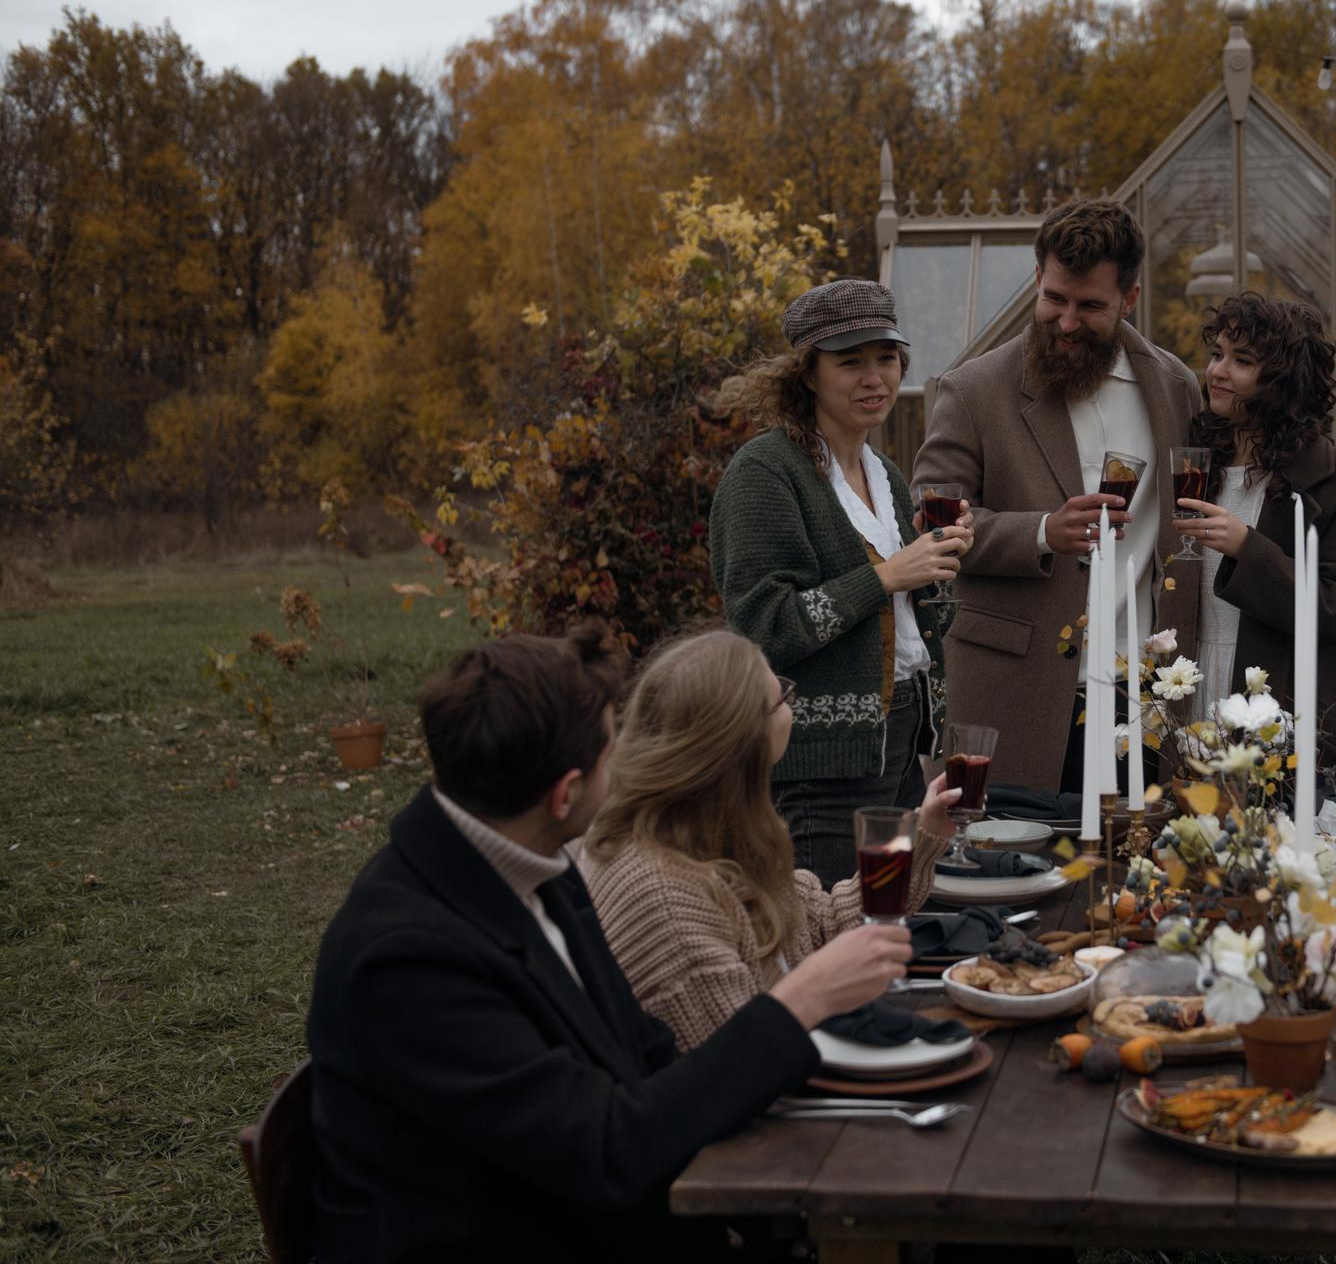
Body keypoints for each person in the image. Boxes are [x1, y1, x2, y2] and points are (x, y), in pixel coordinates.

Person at [306, 625, 912, 1263]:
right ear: (564, 794)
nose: (627, 757)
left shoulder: (529, 864)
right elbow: (605, 1153)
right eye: (610, 748)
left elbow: (645, 1055)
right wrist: (797, 1002)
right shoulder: (408, 961)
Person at [913, 198, 1202, 793]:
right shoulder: (972, 389)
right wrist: (1042, 532)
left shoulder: (1176, 389)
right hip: (1013, 695)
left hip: (1141, 697)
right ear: (1037, 279)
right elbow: (929, 517)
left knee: (1128, 876)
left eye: (1090, 306)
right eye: (1054, 299)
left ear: (1130, 299)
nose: (1066, 322)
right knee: (1011, 870)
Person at [709, 278, 972, 887]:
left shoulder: (886, 475)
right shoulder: (766, 474)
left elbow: (905, 629)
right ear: (807, 374)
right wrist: (885, 575)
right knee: (831, 937)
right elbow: (762, 628)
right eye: (849, 362)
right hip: (817, 766)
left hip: (902, 745)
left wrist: (938, 568)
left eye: (885, 358)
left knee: (886, 926)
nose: (874, 378)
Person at [582, 628, 962, 1048]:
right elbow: (736, 1065)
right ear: (741, 740)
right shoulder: (665, 898)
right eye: (782, 695)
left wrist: (924, 832)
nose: (791, 700)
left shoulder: (715, 829)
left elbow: (824, 924)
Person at [1170, 291, 1336, 789]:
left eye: (1242, 361)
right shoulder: (1198, 462)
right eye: (1217, 353)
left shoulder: (1329, 474)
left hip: (1280, 696)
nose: (1218, 370)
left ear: (1284, 381)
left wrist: (1249, 549)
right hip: (1191, 684)